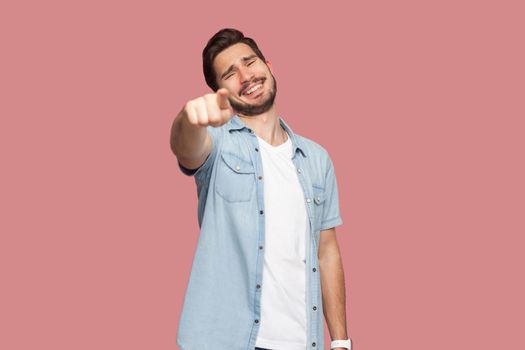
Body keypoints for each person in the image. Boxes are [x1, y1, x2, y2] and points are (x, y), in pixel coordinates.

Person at [170, 28, 352, 350]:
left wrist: (340, 340)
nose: (245, 76)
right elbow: (187, 149)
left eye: (249, 62)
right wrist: (190, 120)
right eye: (229, 74)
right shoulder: (218, 142)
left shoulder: (316, 159)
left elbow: (326, 251)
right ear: (219, 91)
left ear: (268, 65)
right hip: (226, 342)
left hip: (301, 341)